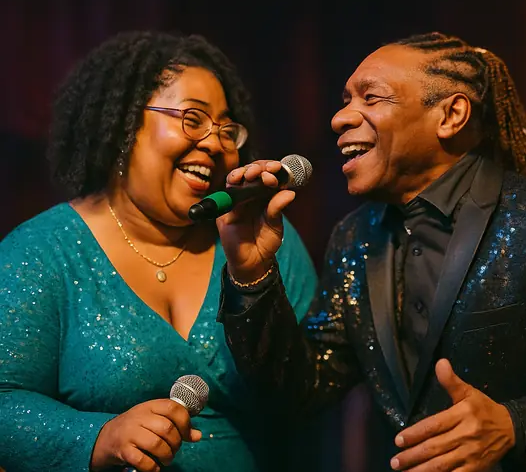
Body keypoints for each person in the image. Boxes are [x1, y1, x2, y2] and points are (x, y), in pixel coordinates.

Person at [216, 32, 526, 472]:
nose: (340, 118)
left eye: (371, 98)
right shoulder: (353, 238)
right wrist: (251, 275)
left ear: (451, 115)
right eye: (345, 100)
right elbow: (301, 390)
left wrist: (515, 426)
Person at [0, 31, 318, 472]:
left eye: (227, 130)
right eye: (193, 118)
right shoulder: (41, 253)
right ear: (124, 126)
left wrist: (252, 280)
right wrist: (97, 437)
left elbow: (307, 400)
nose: (215, 143)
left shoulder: (267, 239)